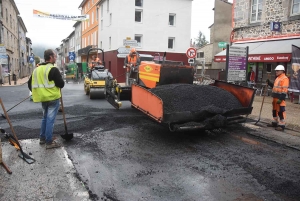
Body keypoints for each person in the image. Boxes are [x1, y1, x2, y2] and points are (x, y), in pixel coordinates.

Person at [28, 49, 65, 149]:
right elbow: (61, 84)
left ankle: (42, 138)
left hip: (43, 99)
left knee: (45, 118)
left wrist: (40, 92)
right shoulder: (53, 69)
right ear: (51, 57)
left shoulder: (37, 69)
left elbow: (29, 84)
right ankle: (49, 142)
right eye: (55, 56)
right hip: (53, 98)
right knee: (50, 120)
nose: (56, 58)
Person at [266, 65, 289, 131]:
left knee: (281, 111)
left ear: (282, 71)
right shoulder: (278, 78)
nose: (276, 72)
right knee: (274, 111)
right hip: (275, 97)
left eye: (277, 71)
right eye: (276, 70)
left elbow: (284, 90)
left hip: (280, 98)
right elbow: (274, 86)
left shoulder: (285, 79)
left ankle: (282, 125)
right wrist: (269, 83)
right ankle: (275, 122)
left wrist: (281, 99)